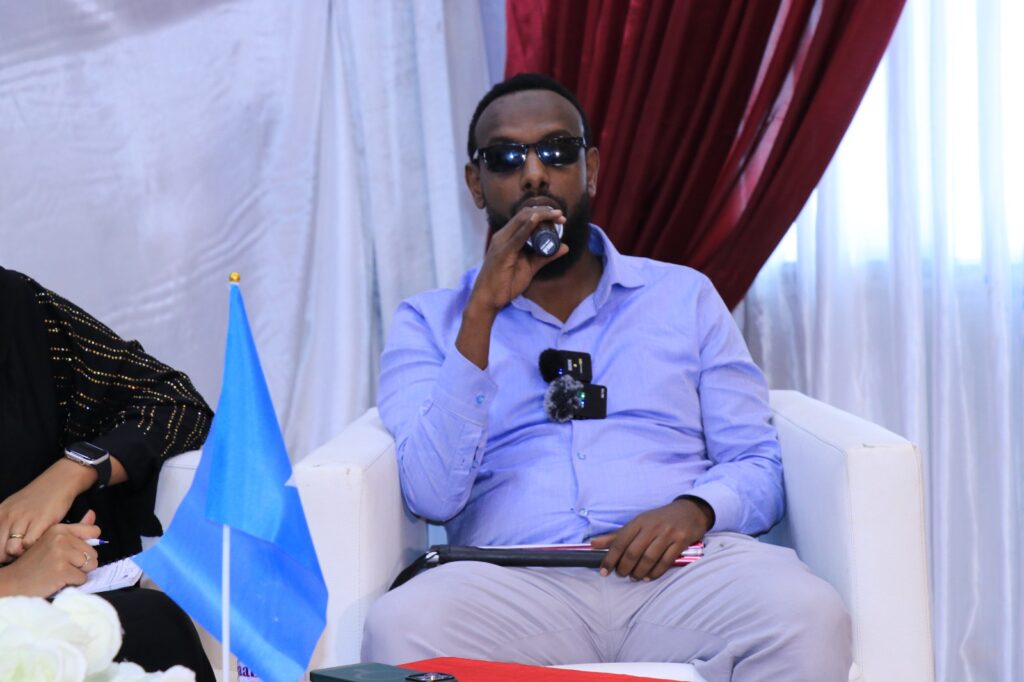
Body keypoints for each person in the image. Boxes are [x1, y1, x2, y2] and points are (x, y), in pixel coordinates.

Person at [362, 73, 852, 680]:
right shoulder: (429, 322)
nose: (535, 174)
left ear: (589, 168)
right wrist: (481, 314)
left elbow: (757, 460)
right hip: (512, 581)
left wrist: (693, 509)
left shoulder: (683, 296)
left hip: (682, 572)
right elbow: (431, 495)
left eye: (558, 152)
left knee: (808, 614)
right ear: (477, 184)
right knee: (401, 626)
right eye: (508, 158)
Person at [0, 265, 215, 680]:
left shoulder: (13, 310)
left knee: (148, 625)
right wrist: (16, 583)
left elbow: (175, 403)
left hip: (44, 609)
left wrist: (73, 471)